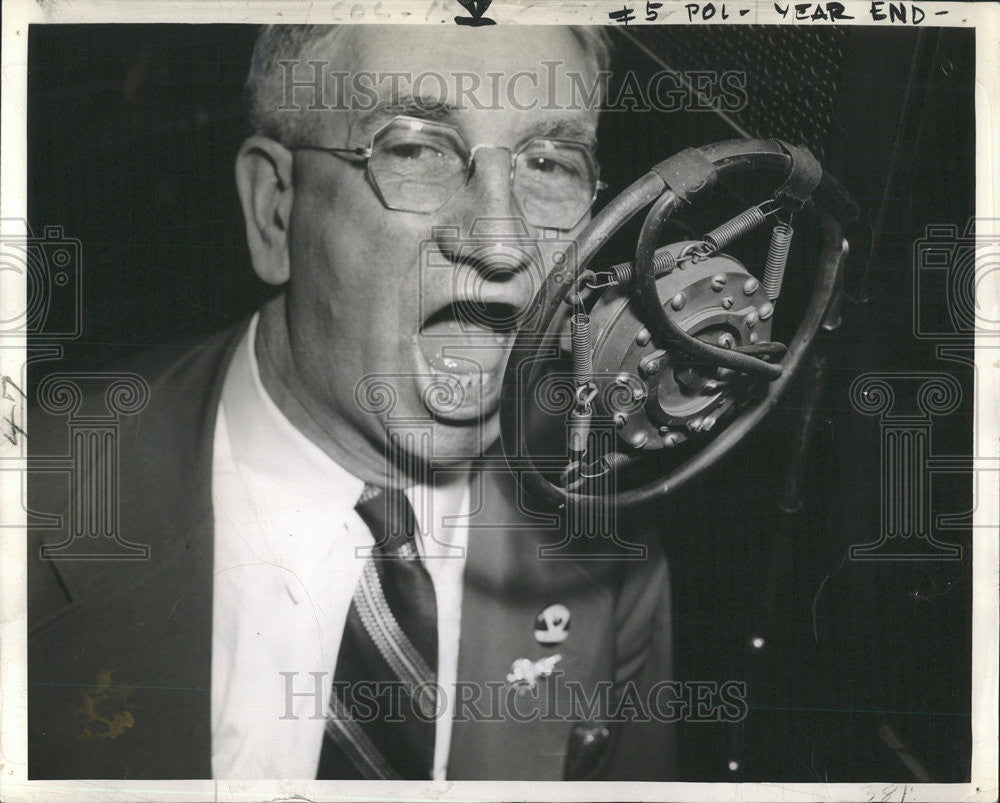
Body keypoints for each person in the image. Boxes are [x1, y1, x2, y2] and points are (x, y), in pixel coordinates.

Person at [28, 24, 675, 781]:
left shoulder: (606, 546)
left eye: (549, 162)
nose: (503, 240)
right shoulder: (36, 496)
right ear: (276, 210)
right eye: (416, 149)